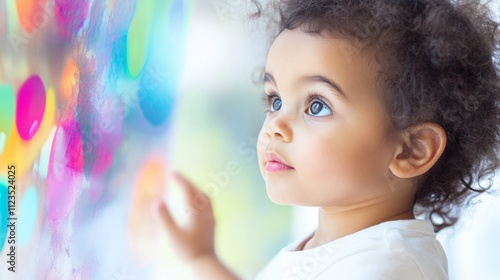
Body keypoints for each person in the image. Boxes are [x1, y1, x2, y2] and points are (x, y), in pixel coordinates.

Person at [157, 0, 500, 279]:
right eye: (275, 99)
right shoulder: (336, 246)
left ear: (412, 150)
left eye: (317, 105)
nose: (275, 124)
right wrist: (202, 257)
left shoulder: (388, 269)